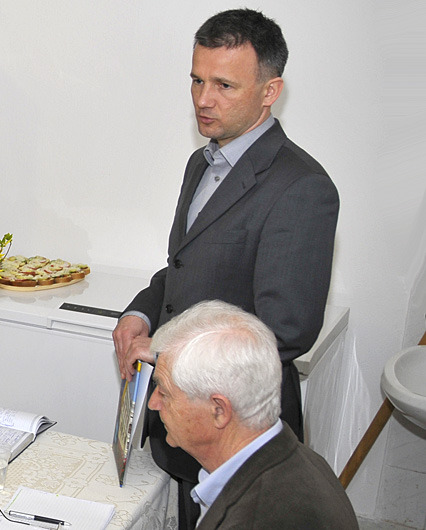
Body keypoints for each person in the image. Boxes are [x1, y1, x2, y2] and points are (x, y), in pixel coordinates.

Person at [111, 10, 339, 528]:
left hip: (235, 436)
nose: (203, 99)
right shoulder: (203, 162)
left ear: (269, 91)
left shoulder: (303, 187)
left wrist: (165, 352)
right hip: (183, 427)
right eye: (197, 80)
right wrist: (140, 314)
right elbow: (183, 267)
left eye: (224, 85)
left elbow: (286, 331)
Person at [146, 300, 357, 529]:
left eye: (164, 392)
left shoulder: (257, 519)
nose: (153, 404)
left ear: (219, 411)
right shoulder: (302, 460)